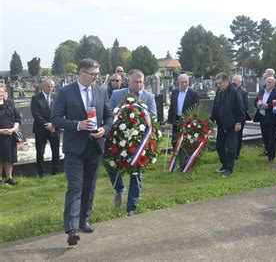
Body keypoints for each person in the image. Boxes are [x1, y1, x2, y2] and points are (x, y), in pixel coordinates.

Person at [51, 58, 113, 246]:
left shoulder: (101, 92)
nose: (96, 78)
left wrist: (105, 130)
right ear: (81, 73)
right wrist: (78, 125)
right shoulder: (65, 92)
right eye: (93, 74)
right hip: (74, 149)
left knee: (90, 186)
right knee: (75, 186)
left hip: (95, 148)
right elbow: (56, 118)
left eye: (97, 74)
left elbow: (109, 116)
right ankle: (71, 228)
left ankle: (84, 219)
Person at [108, 69, 157, 216]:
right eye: (136, 82)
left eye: (141, 81)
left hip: (139, 142)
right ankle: (119, 189)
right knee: (111, 166)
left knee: (136, 174)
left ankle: (131, 207)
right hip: (118, 140)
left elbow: (154, 117)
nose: (139, 84)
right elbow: (109, 113)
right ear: (128, 81)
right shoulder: (117, 95)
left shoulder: (149, 97)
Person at [211, 73, 245, 178]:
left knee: (231, 147)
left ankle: (229, 169)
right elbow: (215, 106)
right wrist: (212, 118)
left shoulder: (234, 92)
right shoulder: (219, 91)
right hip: (221, 124)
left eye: (220, 83)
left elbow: (240, 108)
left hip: (232, 124)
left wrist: (238, 122)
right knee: (219, 145)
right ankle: (224, 164)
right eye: (217, 84)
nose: (219, 86)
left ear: (226, 81)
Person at [30, 78, 60, 178]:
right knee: (40, 152)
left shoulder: (57, 97)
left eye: (52, 86)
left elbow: (60, 111)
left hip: (54, 128)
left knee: (55, 150)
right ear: (43, 86)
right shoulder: (35, 98)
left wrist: (54, 124)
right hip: (41, 129)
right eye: (48, 86)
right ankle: (41, 173)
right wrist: (47, 125)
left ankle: (55, 171)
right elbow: (36, 114)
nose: (50, 88)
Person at [254, 76, 276, 163]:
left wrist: (268, 106)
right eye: (267, 82)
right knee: (265, 136)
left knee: (272, 137)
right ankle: (268, 151)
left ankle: (271, 155)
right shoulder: (261, 91)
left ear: (273, 83)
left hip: (272, 118)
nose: (268, 84)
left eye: (270, 82)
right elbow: (255, 101)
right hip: (262, 117)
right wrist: (257, 105)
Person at [167, 74, 200, 145]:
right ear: (178, 82)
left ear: (188, 82)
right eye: (182, 82)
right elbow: (172, 107)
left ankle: (184, 155)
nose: (184, 84)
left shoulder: (193, 93)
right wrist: (169, 121)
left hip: (187, 121)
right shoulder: (174, 92)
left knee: (185, 141)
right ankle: (176, 155)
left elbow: (196, 109)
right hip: (176, 119)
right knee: (174, 141)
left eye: (186, 82)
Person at [0, 84, 21, 186]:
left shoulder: (9, 104)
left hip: (10, 135)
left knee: (9, 158)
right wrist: (1, 131)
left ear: (4, 93)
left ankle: (9, 178)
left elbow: (17, 118)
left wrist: (14, 128)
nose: (0, 94)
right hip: (0, 135)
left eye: (2, 92)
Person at [232, 75, 250, 159]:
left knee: (238, 137)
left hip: (239, 118)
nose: (233, 82)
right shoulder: (230, 90)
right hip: (230, 118)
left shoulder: (243, 92)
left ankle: (236, 153)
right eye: (233, 80)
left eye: (235, 80)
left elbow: (245, 106)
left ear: (240, 82)